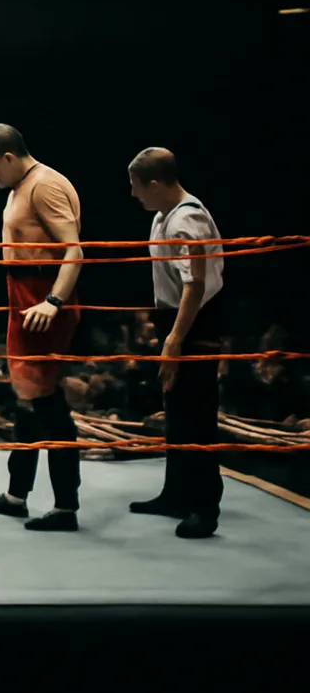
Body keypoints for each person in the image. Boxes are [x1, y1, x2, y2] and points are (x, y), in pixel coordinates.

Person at [0, 123, 85, 531]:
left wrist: (53, 301)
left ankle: (66, 507)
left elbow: (74, 250)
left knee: (46, 402)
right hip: (23, 294)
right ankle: (16, 495)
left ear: (7, 157)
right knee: (27, 399)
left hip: (41, 296)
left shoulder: (44, 185)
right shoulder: (24, 186)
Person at [128, 147, 225, 538]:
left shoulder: (187, 219)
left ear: (154, 184)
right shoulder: (162, 216)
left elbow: (195, 285)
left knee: (197, 413)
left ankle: (205, 507)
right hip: (175, 317)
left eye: (137, 187)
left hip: (195, 321)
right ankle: (176, 494)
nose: (133, 195)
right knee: (177, 407)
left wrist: (174, 340)